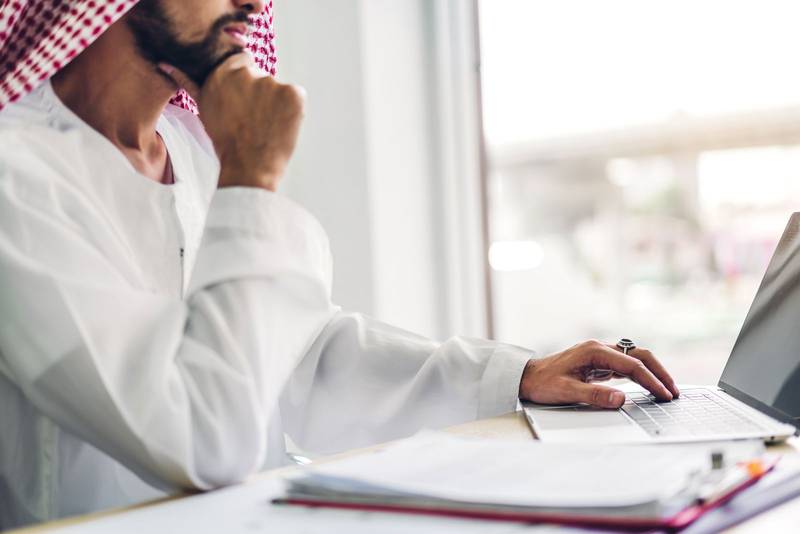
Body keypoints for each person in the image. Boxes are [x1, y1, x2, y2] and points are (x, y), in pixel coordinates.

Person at [0, 0, 681, 529]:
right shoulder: (16, 177)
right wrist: (252, 177)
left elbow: (297, 353)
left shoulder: (192, 149)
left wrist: (515, 377)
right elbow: (201, 441)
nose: (253, 5)